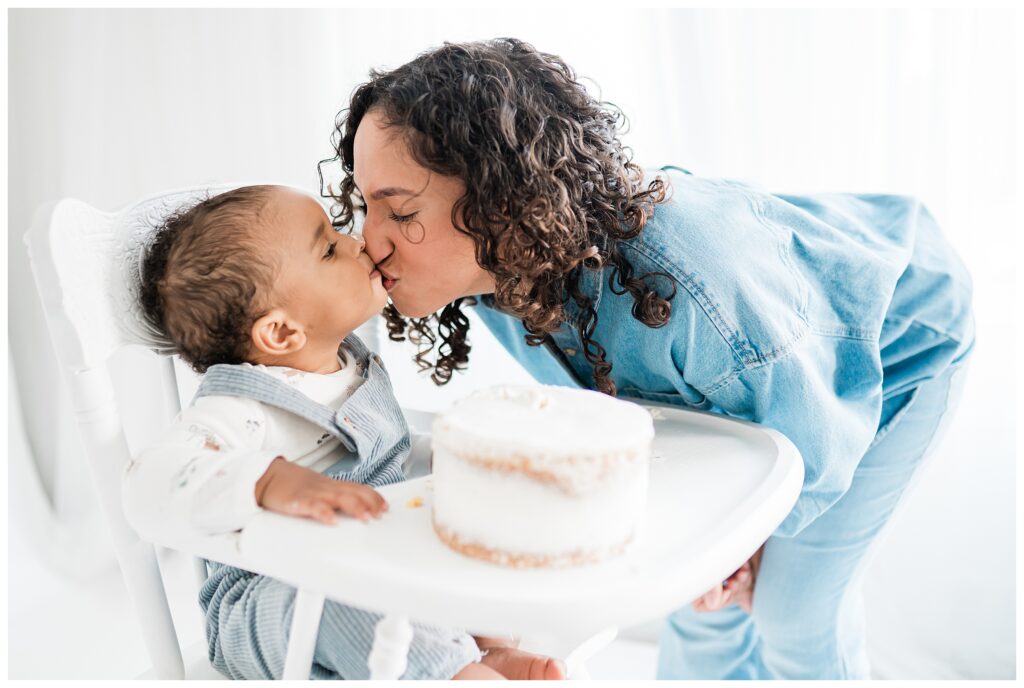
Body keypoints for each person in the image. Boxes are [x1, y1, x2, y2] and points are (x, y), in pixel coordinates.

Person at [326, 38, 975, 679]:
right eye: (363, 205)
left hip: (897, 343)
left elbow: (817, 437)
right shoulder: (502, 273)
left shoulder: (703, 297)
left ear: (505, 204)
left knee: (794, 614)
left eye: (401, 211)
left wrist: (744, 551)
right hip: (760, 365)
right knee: (698, 601)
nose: (367, 240)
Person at [122, 184, 566, 680]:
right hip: (277, 598)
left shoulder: (351, 367)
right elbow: (147, 483)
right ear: (282, 332)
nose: (356, 241)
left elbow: (388, 459)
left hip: (374, 563)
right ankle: (456, 674)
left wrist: (452, 459)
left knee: (476, 519)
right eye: (330, 248)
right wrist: (267, 482)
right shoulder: (244, 406)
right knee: (354, 601)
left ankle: (489, 646)